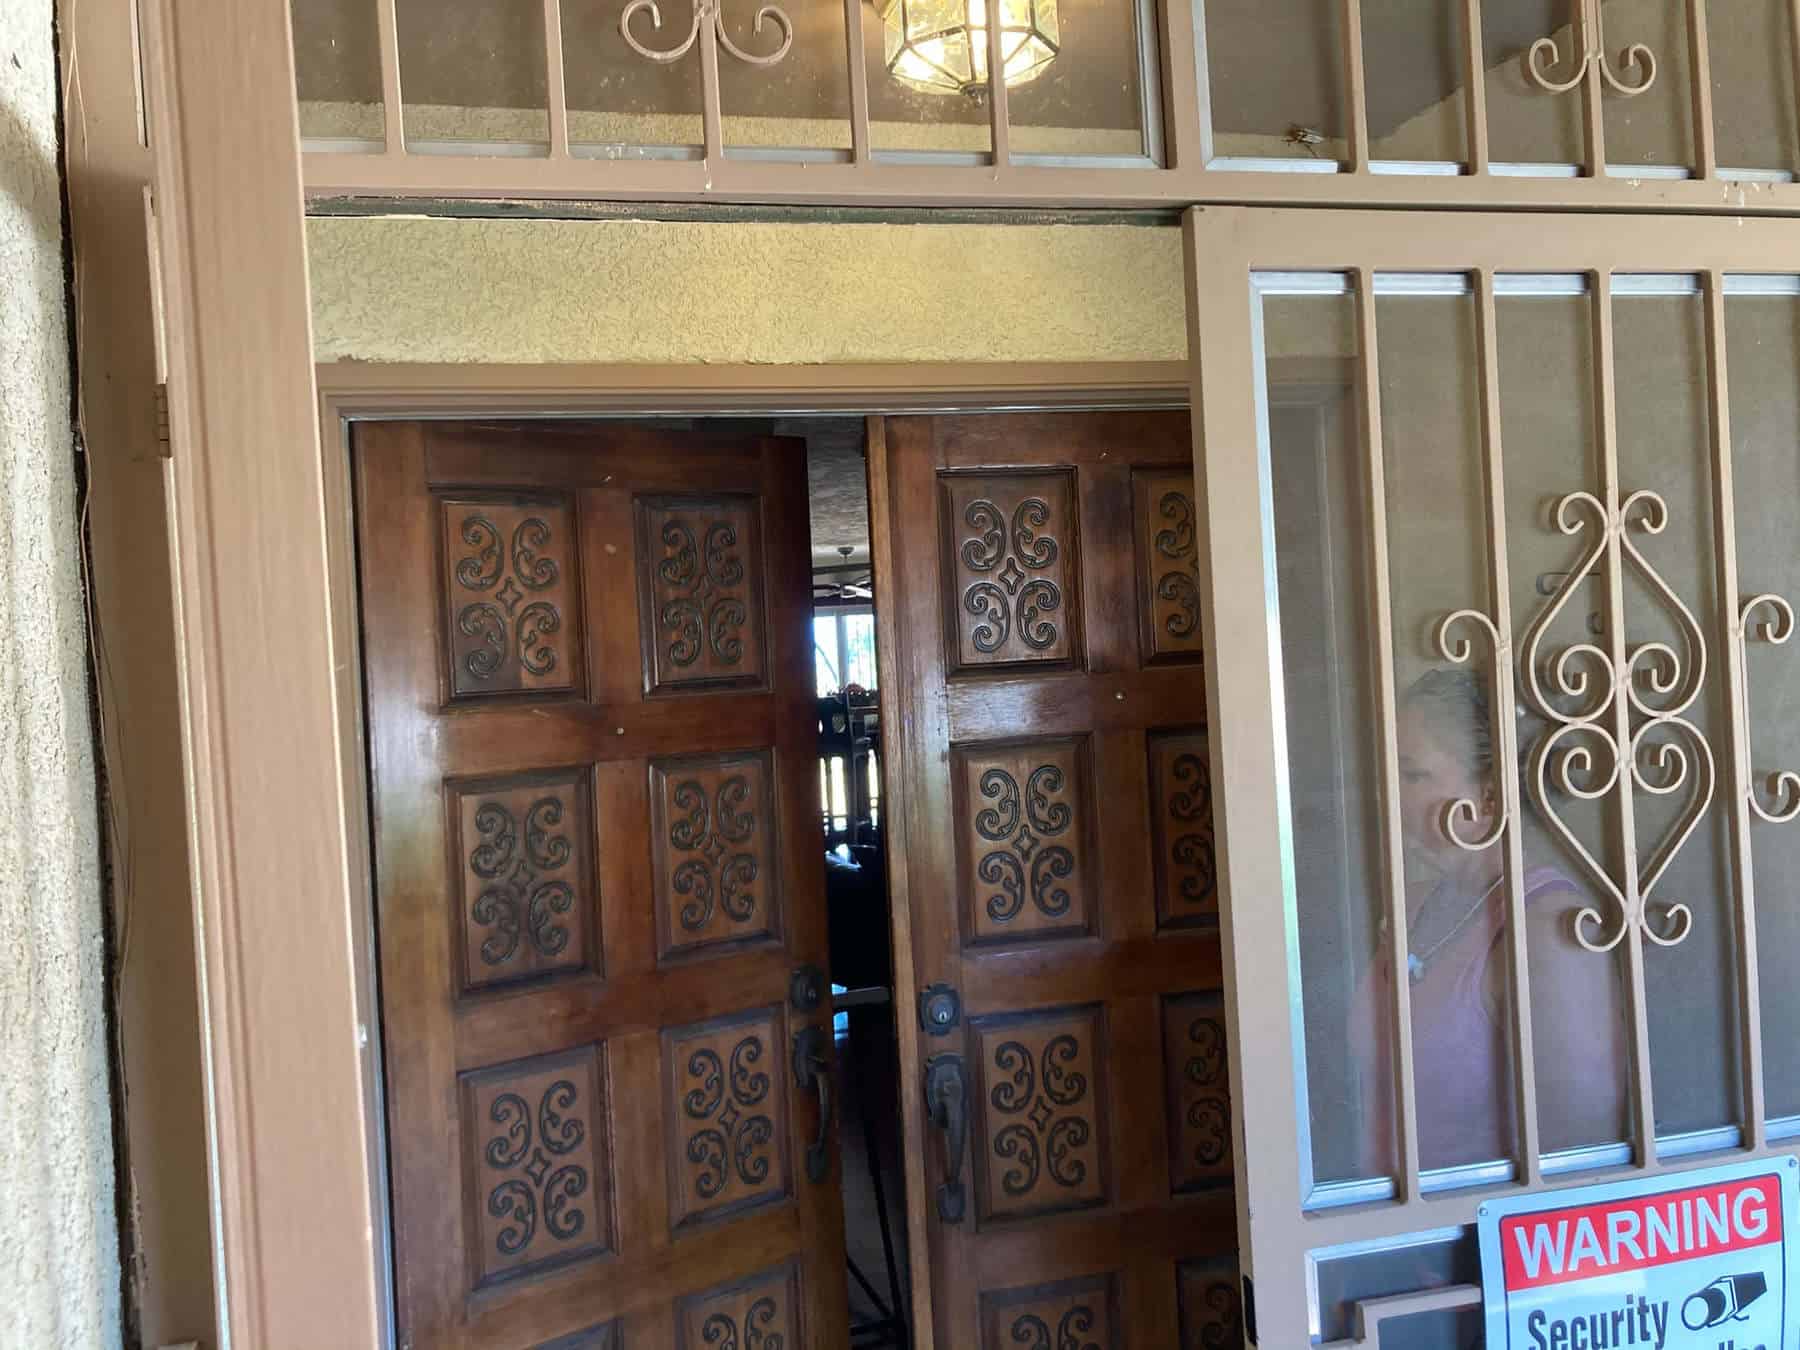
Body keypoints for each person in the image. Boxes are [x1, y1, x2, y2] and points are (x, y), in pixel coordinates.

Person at [1350, 668, 1629, 1175]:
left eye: (1411, 775)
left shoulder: (1548, 931)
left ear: (1490, 793)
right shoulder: (1414, 905)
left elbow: (1581, 1143)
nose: (1387, 794)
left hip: (1469, 1221)